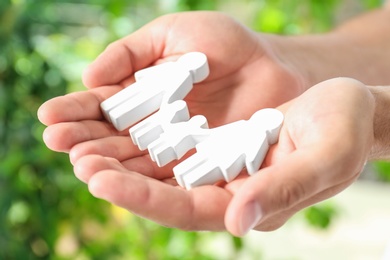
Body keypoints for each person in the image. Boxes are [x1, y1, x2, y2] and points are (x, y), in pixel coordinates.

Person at [37, 4, 390, 237]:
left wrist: (377, 118)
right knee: (160, 139)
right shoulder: (235, 120)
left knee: (184, 161)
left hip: (214, 152)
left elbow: (246, 154)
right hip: (193, 133)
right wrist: (287, 62)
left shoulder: (247, 131)